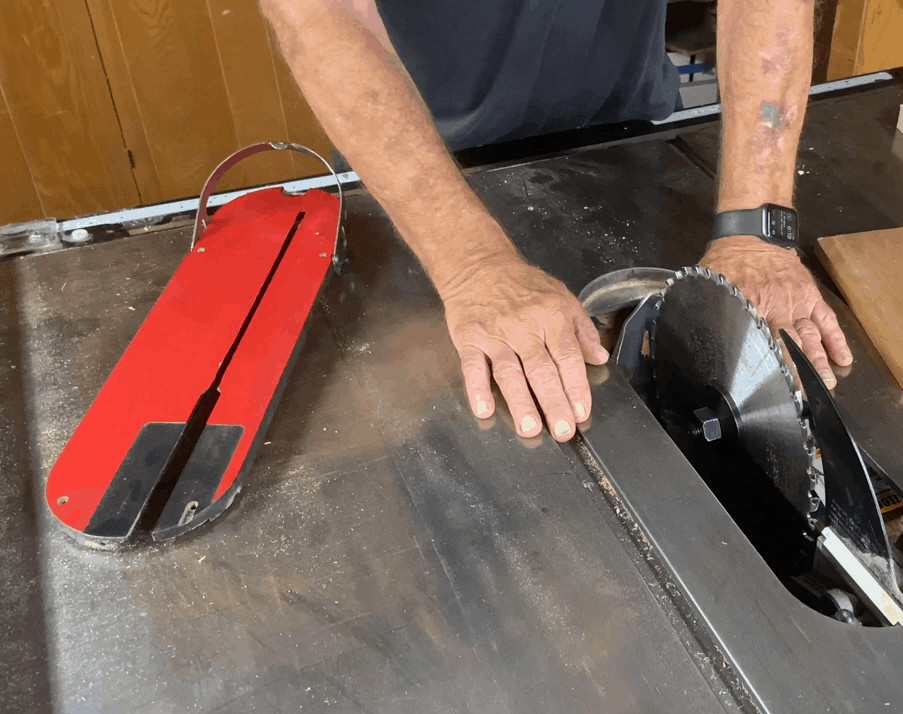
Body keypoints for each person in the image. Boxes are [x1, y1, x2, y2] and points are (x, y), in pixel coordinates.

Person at [260, 0, 852, 442]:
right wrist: (472, 265)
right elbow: (318, 13)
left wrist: (756, 230)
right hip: (412, 164)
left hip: (622, 133)